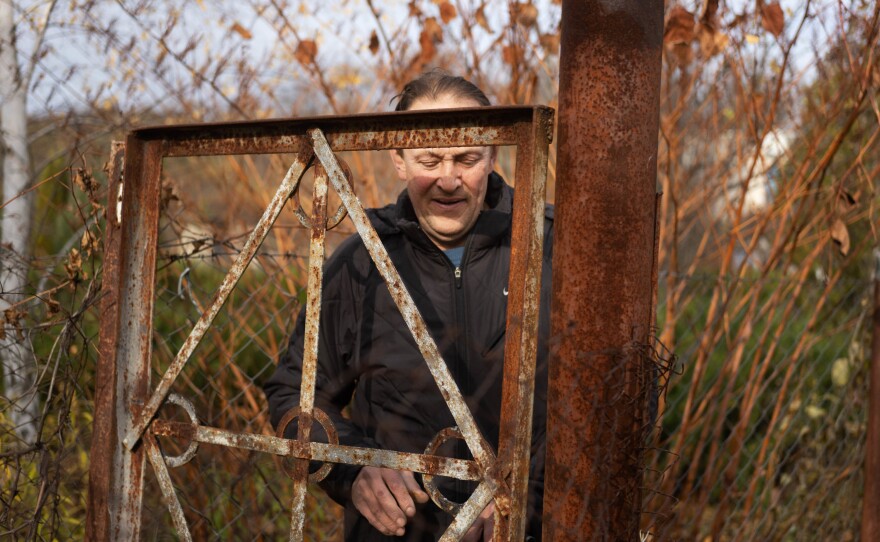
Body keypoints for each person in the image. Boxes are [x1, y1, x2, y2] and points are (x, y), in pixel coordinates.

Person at [264, 70, 553, 541]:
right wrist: (353, 469)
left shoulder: (551, 245)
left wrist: (525, 496)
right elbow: (296, 394)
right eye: (429, 158)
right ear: (398, 158)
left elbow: (608, 400)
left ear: (494, 154)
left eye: (466, 157)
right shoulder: (363, 261)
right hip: (402, 532)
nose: (448, 179)